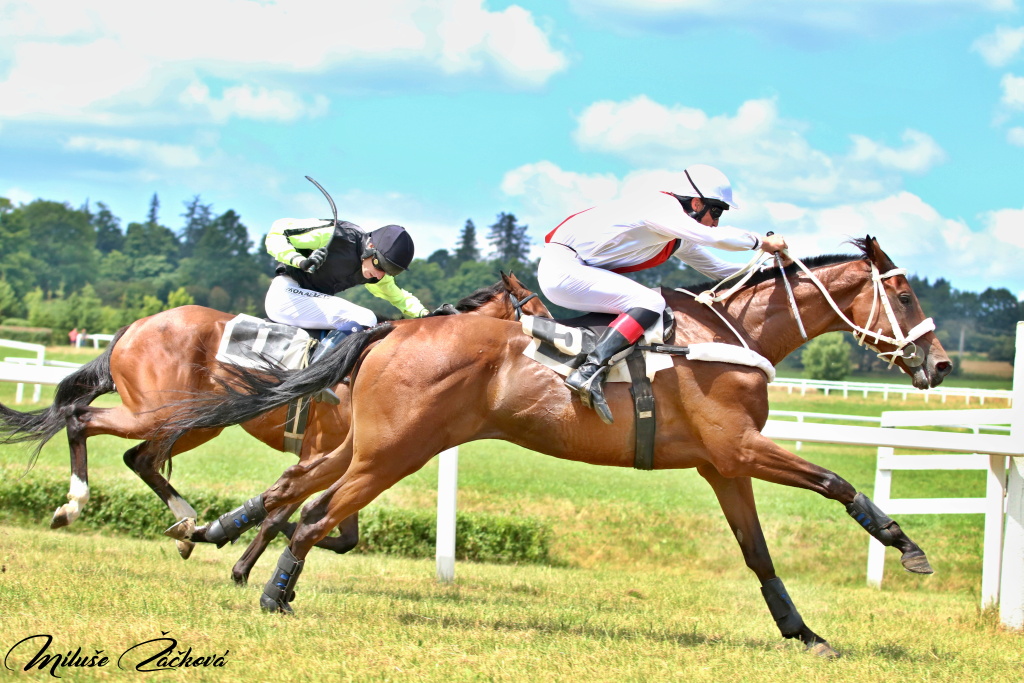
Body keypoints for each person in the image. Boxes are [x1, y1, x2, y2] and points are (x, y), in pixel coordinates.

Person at [537, 164, 789, 424]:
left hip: (575, 270)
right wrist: (761, 242)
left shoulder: (676, 235)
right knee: (650, 301)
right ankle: (590, 370)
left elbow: (718, 269)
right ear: (694, 202)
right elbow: (711, 237)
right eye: (716, 211)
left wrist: (770, 272)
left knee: (652, 302)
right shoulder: (660, 207)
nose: (716, 221)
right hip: (565, 268)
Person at [265, 217, 428, 400]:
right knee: (365, 318)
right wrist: (299, 260)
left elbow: (397, 296)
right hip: (287, 295)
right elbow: (278, 231)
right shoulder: (339, 234)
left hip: (306, 303)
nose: (380, 274)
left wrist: (425, 314)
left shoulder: (372, 271)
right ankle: (314, 378)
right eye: (380, 265)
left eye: (388, 271)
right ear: (371, 247)